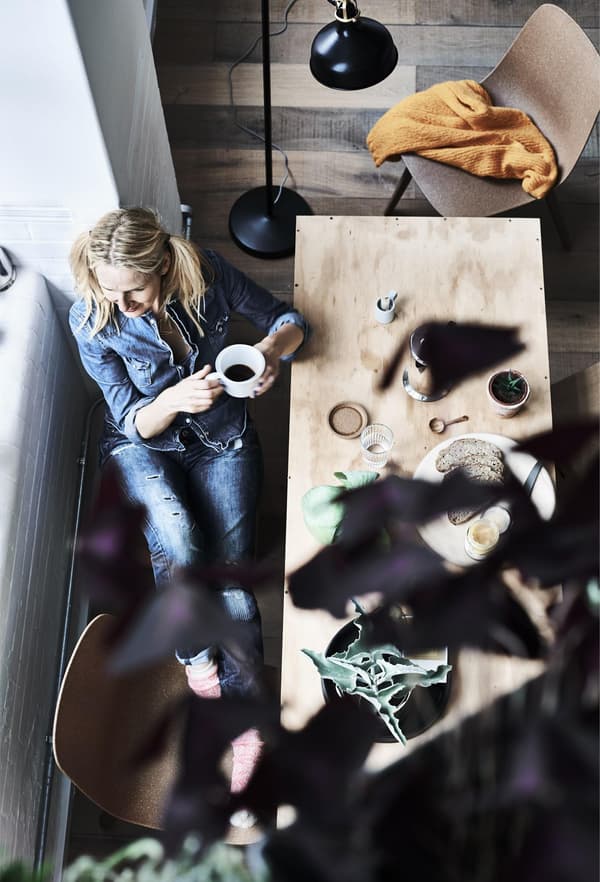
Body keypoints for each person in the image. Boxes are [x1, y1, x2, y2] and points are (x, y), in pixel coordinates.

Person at [68, 207, 309, 821]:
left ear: (165, 267)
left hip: (224, 437)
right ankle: (198, 663)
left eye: (134, 290)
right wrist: (173, 399)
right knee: (178, 537)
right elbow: (133, 422)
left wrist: (271, 353)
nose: (120, 302)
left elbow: (289, 321)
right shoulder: (93, 320)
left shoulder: (205, 273)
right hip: (143, 444)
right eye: (107, 287)